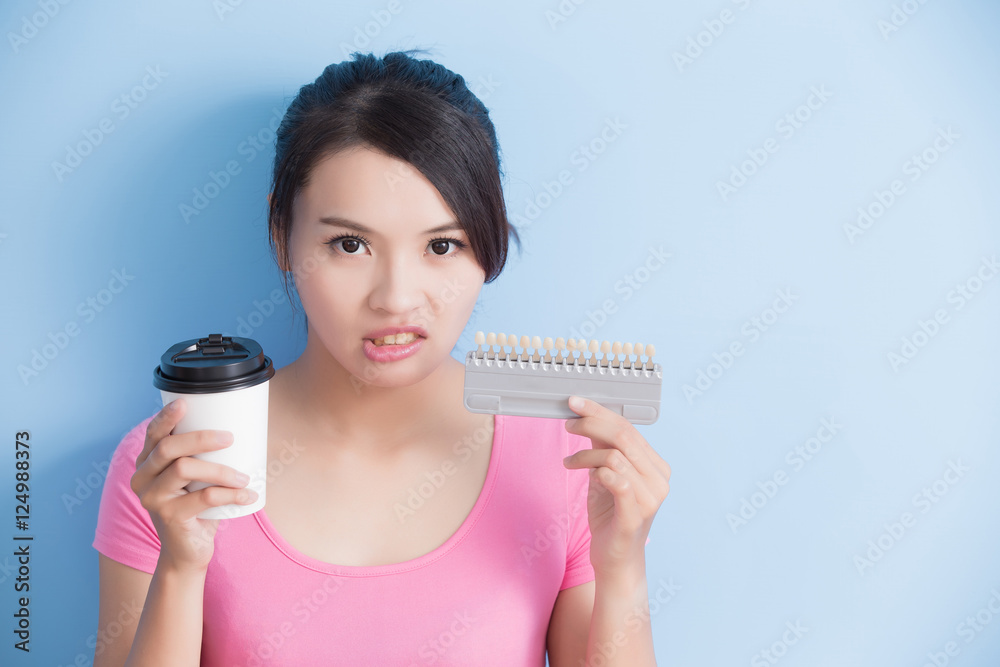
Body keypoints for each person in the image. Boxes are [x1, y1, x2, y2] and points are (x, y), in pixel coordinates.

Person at [92, 50, 670, 666]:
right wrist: (181, 569)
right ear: (282, 235)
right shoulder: (179, 463)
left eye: (442, 245)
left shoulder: (567, 462)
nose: (396, 298)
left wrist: (623, 565)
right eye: (350, 244)